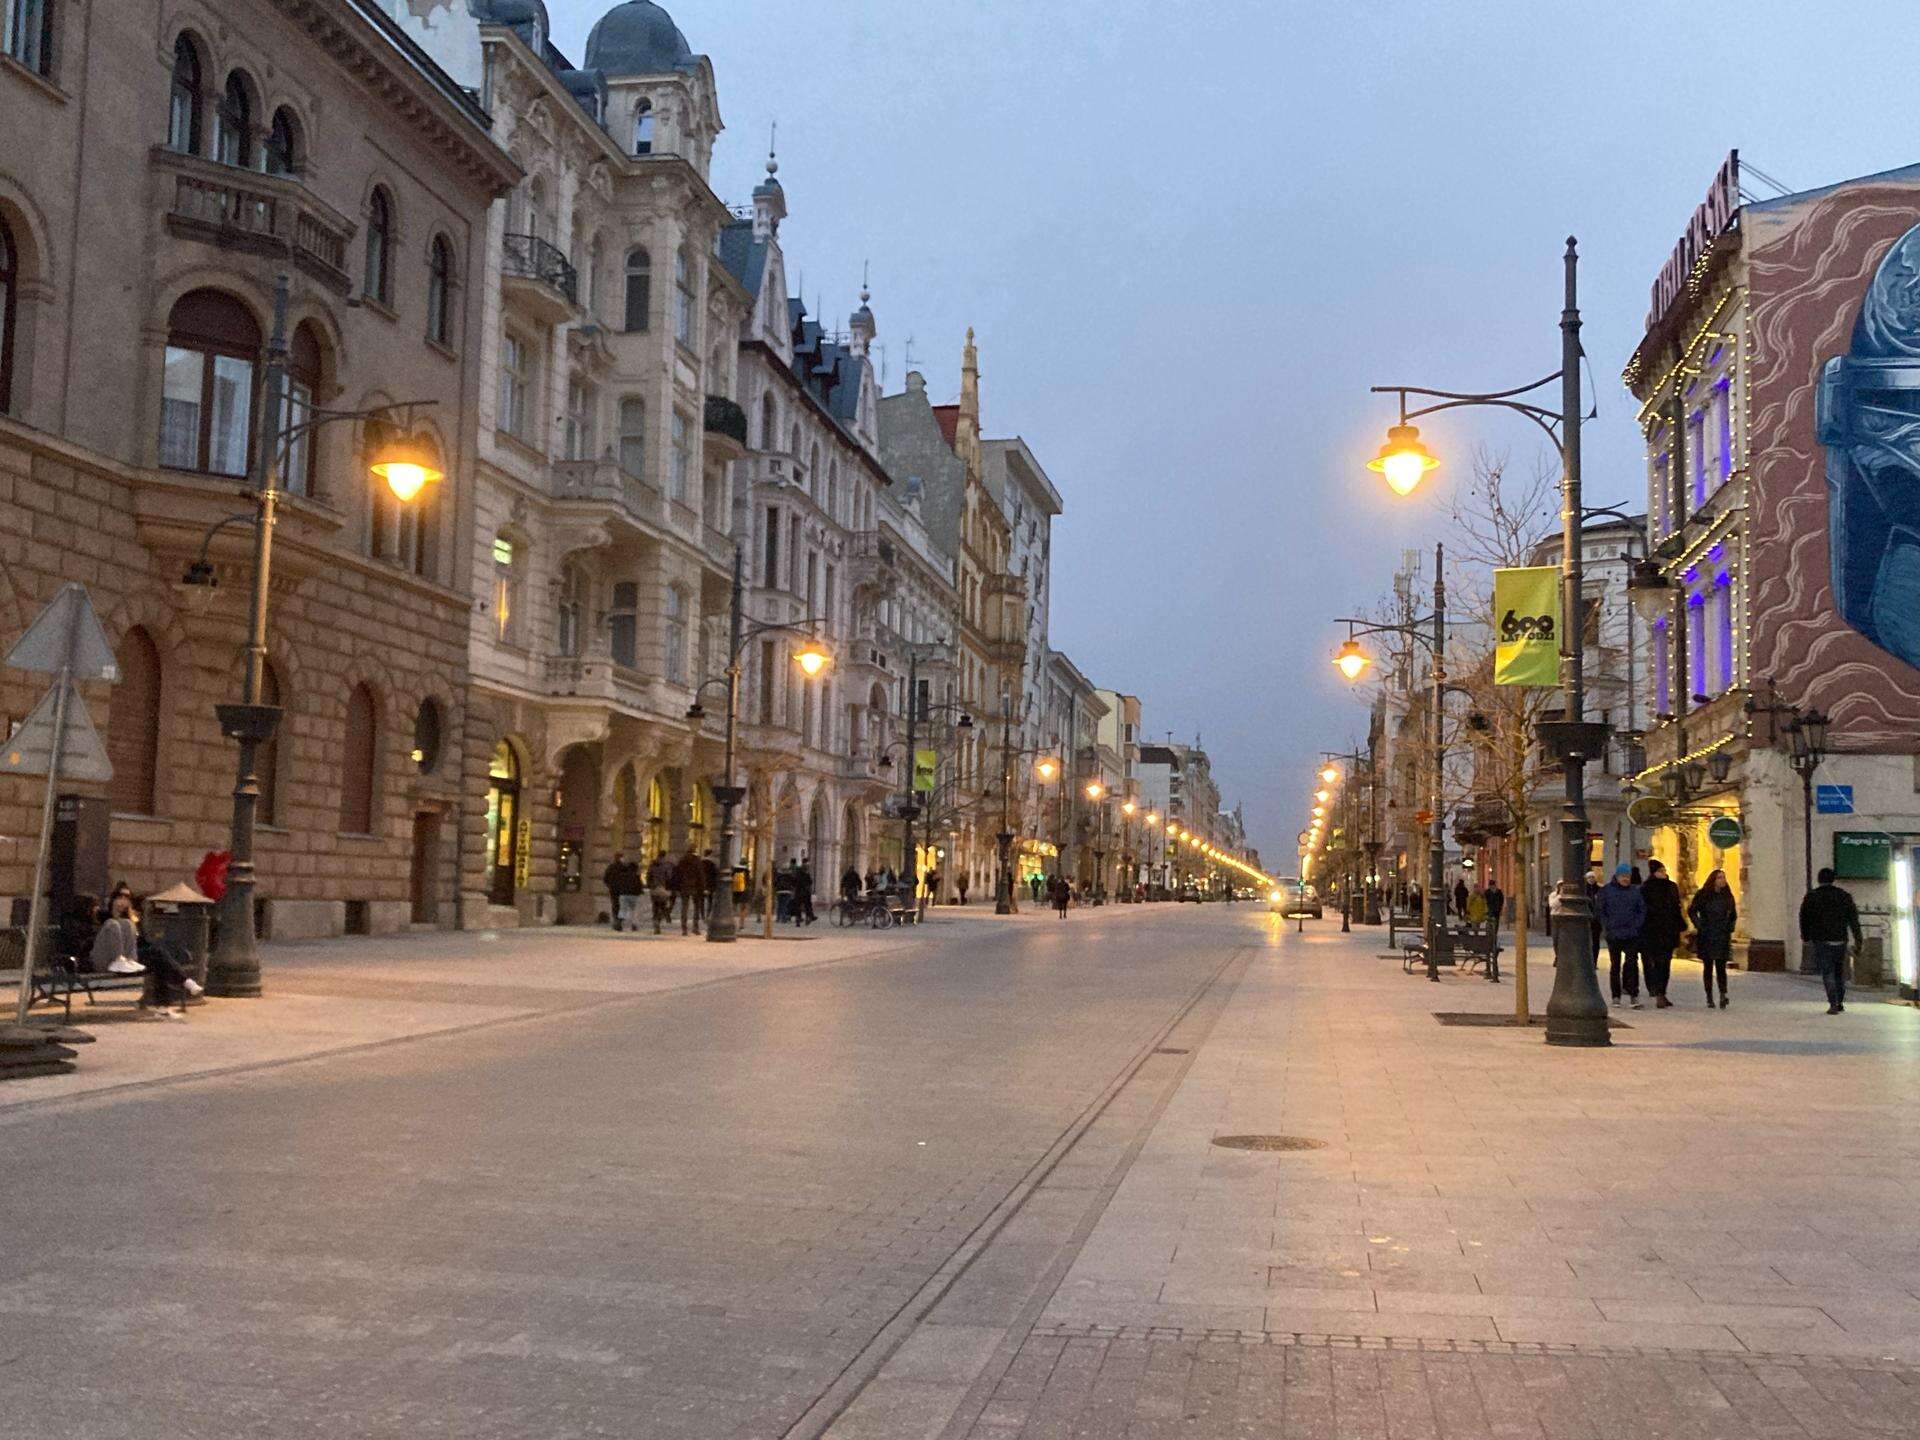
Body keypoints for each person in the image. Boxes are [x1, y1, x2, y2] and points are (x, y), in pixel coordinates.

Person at [93, 884, 200, 1016]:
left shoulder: (130, 921)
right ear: (113, 899)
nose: (122, 901)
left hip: (129, 959)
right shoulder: (103, 916)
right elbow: (96, 941)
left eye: (127, 898)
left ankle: (163, 1007)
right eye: (119, 897)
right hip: (107, 957)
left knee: (158, 960)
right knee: (117, 925)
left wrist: (136, 929)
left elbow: (142, 943)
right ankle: (185, 981)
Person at [1800, 866, 1864, 1015]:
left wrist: (1806, 936)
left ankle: (1833, 1003)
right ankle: (1840, 1001)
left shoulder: (1812, 897)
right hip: (1840, 938)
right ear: (1833, 880)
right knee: (1838, 971)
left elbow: (1804, 918)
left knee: (1827, 971)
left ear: (1819, 879)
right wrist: (1858, 939)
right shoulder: (1844, 896)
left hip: (1821, 939)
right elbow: (1853, 920)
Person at [1594, 864, 1646, 1009]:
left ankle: (1633, 994)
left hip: (1631, 934)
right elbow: (1600, 910)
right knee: (1615, 965)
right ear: (1617, 877)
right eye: (1623, 876)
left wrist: (1636, 926)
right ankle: (1616, 996)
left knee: (1632, 964)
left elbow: (1641, 910)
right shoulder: (1607, 891)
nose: (1626, 879)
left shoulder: (1635, 892)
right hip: (1614, 934)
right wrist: (1607, 925)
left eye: (1628, 877)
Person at [1689, 868, 1738, 1009]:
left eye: (1723, 877)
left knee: (1721, 967)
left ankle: (1723, 993)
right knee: (1708, 966)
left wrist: (1730, 927)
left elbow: (1733, 914)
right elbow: (1692, 910)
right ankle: (1709, 996)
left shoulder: (1727, 896)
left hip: (1722, 934)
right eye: (1719, 878)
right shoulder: (1703, 895)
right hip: (1707, 934)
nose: (1722, 880)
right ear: (1713, 880)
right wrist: (1699, 925)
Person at [1639, 859, 1684, 1008]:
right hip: (1652, 931)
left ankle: (1662, 992)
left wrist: (1679, 924)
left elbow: (1677, 907)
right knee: (1656, 962)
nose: (1664, 873)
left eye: (1664, 870)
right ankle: (1658, 992)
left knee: (1666, 963)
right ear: (1654, 873)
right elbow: (1643, 909)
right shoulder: (1646, 888)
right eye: (1660, 871)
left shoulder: (1672, 887)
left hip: (1669, 930)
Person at [675, 847, 706, 935]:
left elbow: (677, 874)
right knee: (697, 907)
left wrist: (677, 887)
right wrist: (703, 887)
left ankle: (684, 928)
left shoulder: (682, 861)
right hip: (695, 886)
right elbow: (700, 874)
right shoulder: (697, 861)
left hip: (684, 886)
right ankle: (695, 927)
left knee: (684, 907)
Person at [645, 850, 676, 934]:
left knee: (655, 906)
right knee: (663, 906)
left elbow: (648, 876)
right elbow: (669, 878)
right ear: (664, 856)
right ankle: (658, 922)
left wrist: (650, 885)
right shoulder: (666, 866)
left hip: (654, 889)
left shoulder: (652, 864)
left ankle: (655, 922)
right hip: (663, 888)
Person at [603, 853, 631, 930]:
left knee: (615, 905)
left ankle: (617, 921)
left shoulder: (611, 867)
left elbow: (605, 878)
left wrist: (609, 886)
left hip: (614, 889)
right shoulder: (624, 867)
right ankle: (618, 921)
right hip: (622, 890)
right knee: (621, 906)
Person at [793, 856, 816, 925]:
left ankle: (798, 918)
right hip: (805, 892)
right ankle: (809, 917)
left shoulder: (798, 872)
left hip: (798, 891)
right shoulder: (806, 872)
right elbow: (810, 882)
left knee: (798, 905)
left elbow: (795, 881)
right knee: (807, 905)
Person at [698, 851, 719, 927]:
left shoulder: (700, 863)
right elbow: (715, 876)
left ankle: (702, 915)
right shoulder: (712, 864)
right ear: (710, 855)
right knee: (710, 901)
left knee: (701, 901)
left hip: (701, 885)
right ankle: (707, 915)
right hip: (710, 885)